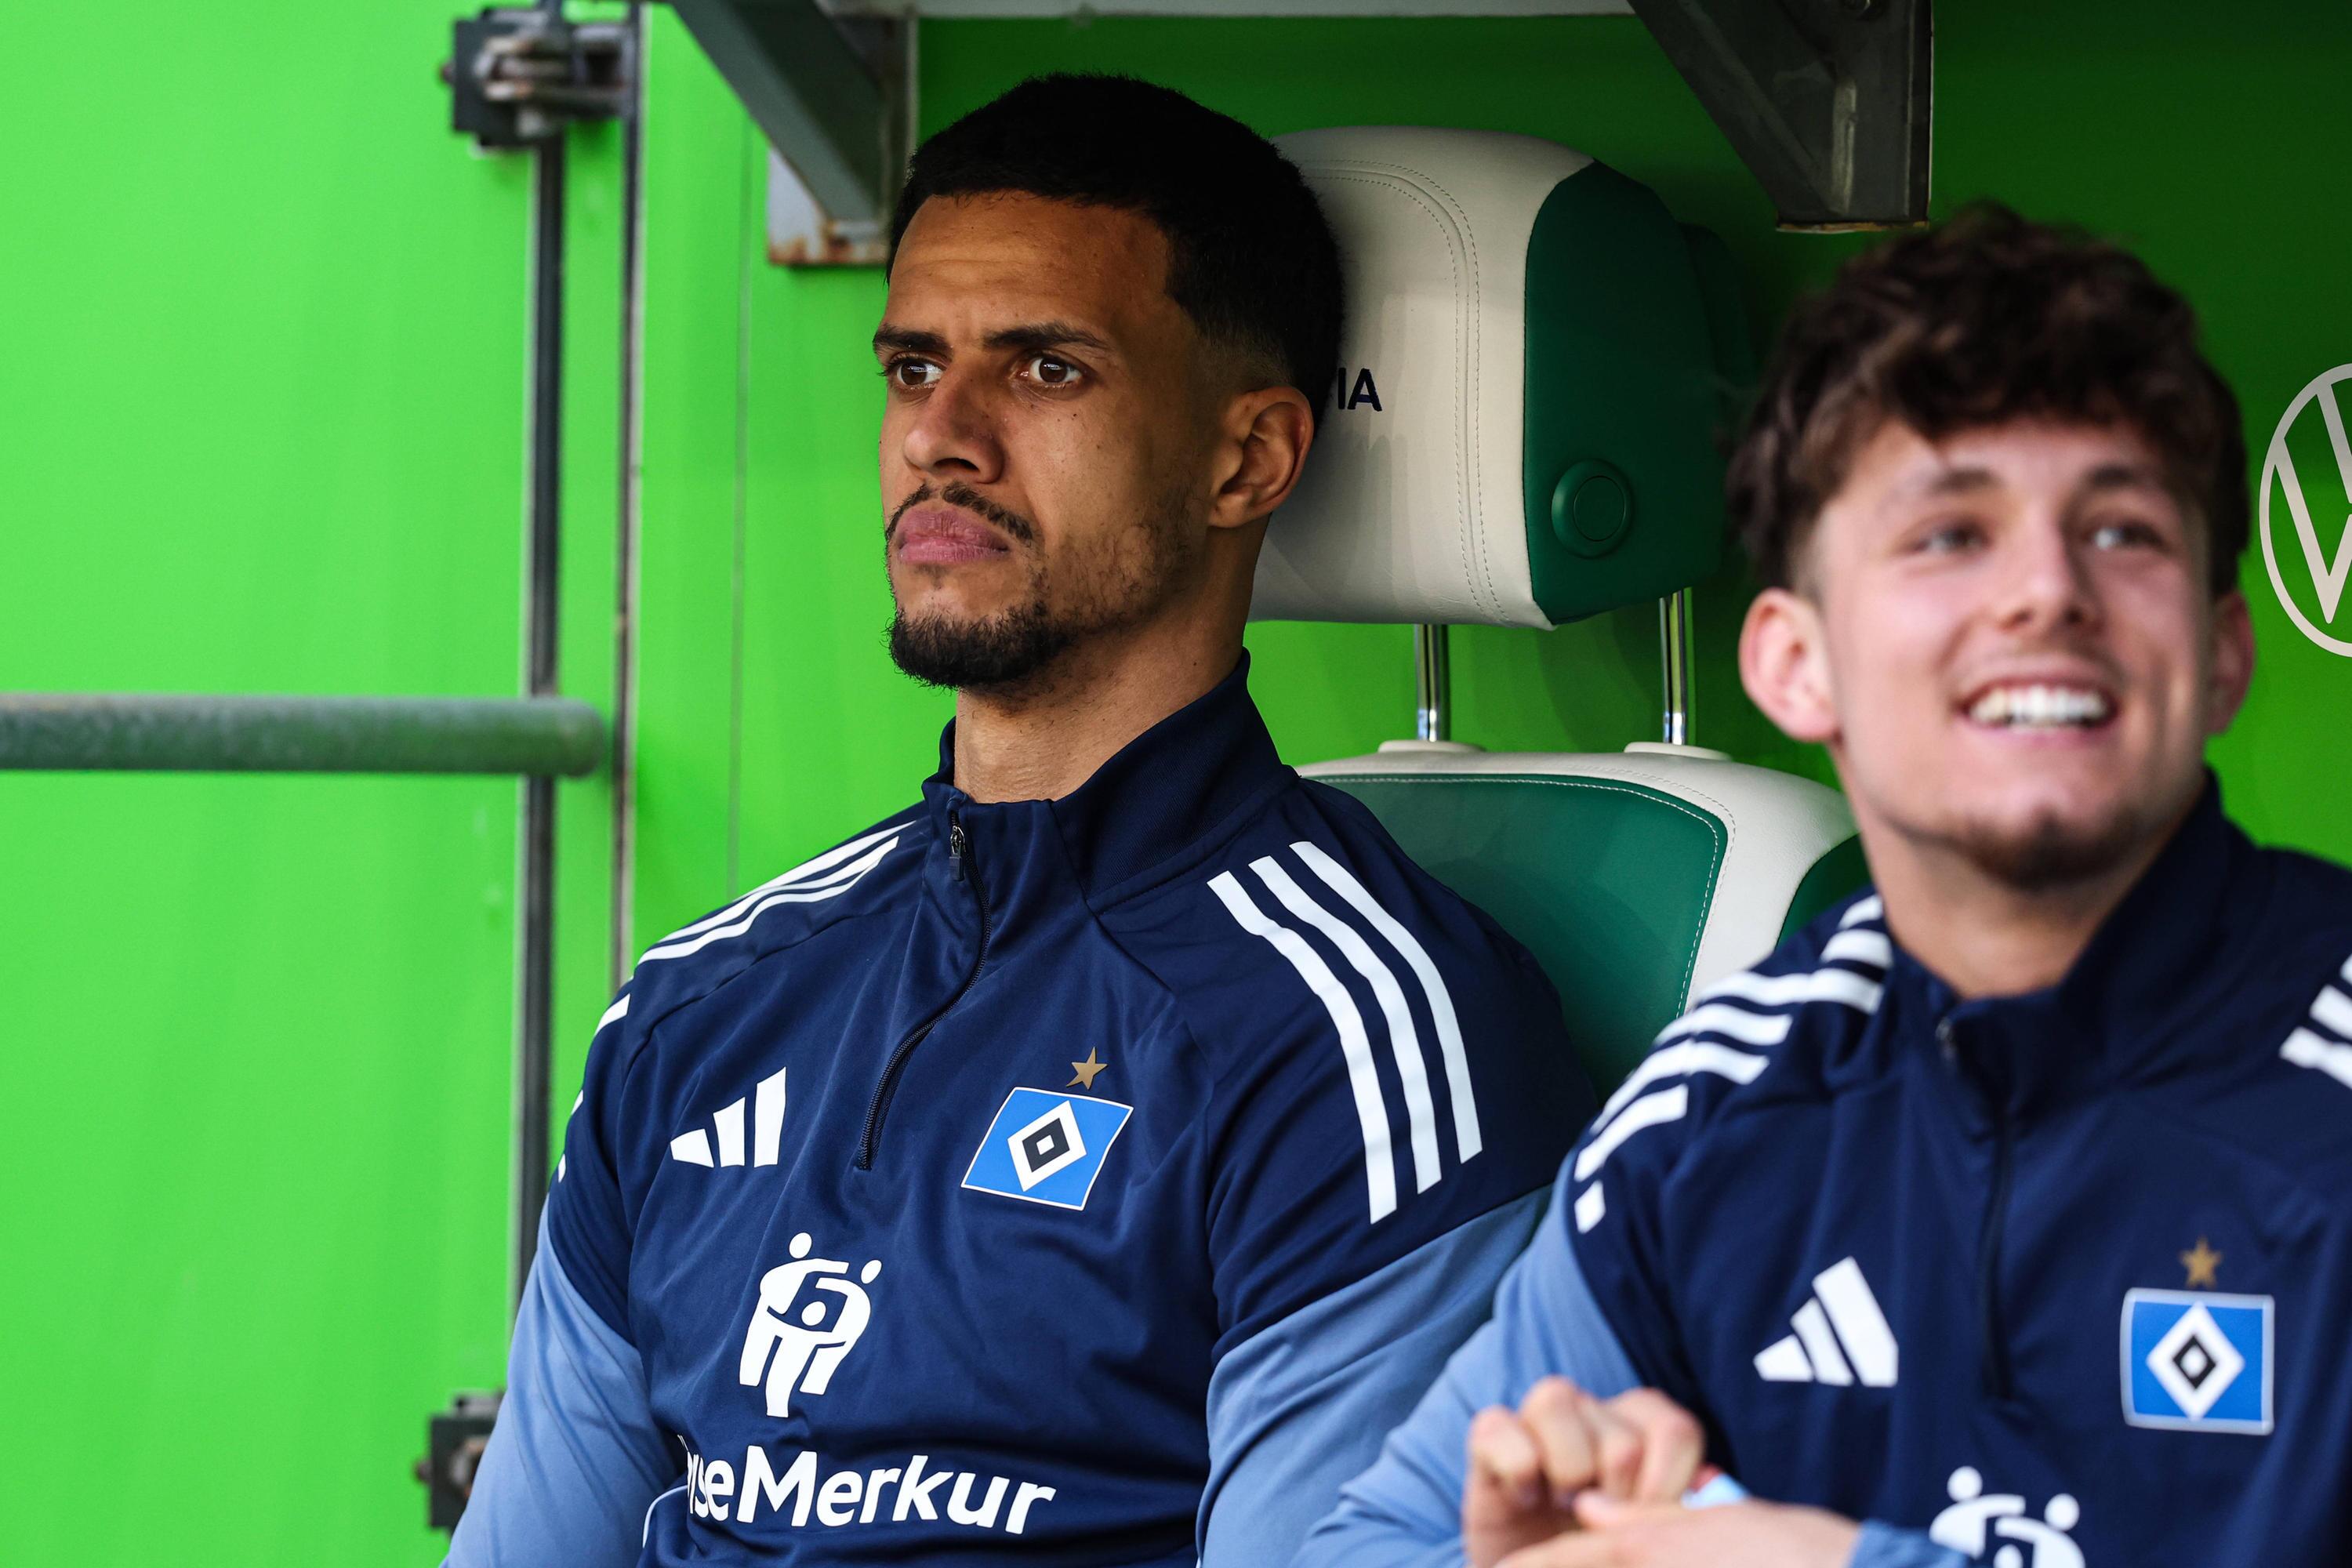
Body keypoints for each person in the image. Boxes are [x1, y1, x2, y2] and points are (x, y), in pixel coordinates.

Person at [445, 74, 1595, 1568]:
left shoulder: (1363, 1043)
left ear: (1248, 459)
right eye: (912, 366)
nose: (943, 437)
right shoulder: (695, 1009)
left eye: (1047, 370)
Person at [1298, 207, 2352, 1567]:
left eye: (2122, 532)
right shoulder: (1717, 1108)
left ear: (2221, 656)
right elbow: (1374, 1544)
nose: (2047, 591)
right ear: (1795, 665)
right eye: (1949, 534)